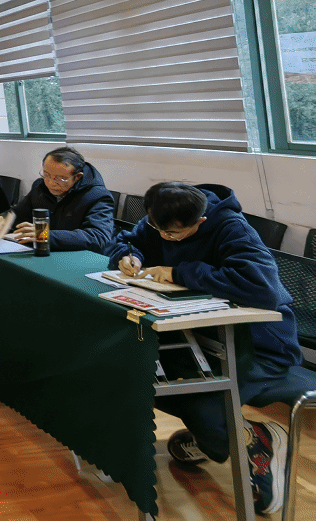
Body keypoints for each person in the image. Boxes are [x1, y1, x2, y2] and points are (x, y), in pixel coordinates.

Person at [107, 182, 299, 514]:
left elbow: (263, 287)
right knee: (144, 375)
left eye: (174, 234)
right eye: (158, 229)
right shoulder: (162, 216)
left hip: (258, 343)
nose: (165, 238)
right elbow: (128, 240)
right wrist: (129, 256)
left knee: (200, 403)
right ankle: (212, 435)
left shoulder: (232, 228)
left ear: (201, 221)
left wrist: (179, 272)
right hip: (200, 335)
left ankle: (256, 439)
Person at [0, 147, 114, 252]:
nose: (51, 183)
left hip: (81, 258)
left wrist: (45, 235)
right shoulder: (40, 187)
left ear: (78, 177)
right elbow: (18, 214)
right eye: (46, 175)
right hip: (45, 252)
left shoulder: (98, 196)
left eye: (60, 178)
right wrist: (1, 220)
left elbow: (98, 237)